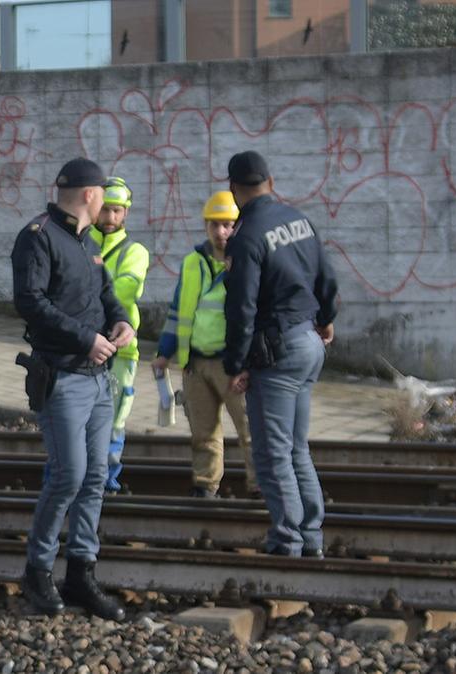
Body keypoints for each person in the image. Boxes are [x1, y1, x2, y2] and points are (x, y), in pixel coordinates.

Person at [11, 157, 133, 620]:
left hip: (98, 379)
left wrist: (119, 319)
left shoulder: (87, 242)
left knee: (96, 477)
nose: (105, 200)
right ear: (90, 195)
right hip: (63, 376)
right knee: (69, 477)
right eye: (103, 192)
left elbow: (104, 294)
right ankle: (37, 571)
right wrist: (87, 338)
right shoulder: (38, 237)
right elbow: (30, 301)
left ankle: (81, 572)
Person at [222, 151, 338, 557]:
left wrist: (234, 364)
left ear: (234, 189)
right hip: (309, 342)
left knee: (272, 454)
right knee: (296, 447)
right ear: (270, 182)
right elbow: (326, 277)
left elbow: (241, 309)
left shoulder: (247, 236)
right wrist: (326, 319)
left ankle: (287, 540)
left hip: (278, 351)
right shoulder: (299, 220)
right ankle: (311, 537)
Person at [153, 191, 259, 499]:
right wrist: (164, 353)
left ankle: (259, 488)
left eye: (228, 225)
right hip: (195, 363)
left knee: (250, 433)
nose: (221, 232)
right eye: (215, 225)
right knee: (203, 434)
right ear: (206, 226)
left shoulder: (247, 261)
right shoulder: (192, 263)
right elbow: (176, 313)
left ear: (237, 226)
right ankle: (205, 485)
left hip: (233, 365)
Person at [89, 176, 149, 493]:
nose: (110, 218)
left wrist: (86, 286)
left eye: (117, 211)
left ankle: (107, 481)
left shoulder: (134, 251)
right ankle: (88, 479)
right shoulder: (82, 243)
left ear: (125, 213)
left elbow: (127, 288)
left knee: (114, 421)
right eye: (105, 210)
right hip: (85, 346)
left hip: (122, 349)